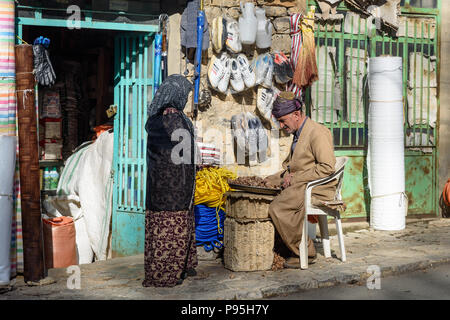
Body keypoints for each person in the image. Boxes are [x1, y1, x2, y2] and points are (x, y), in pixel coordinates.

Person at [264, 92, 337, 269]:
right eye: (279, 121)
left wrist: (295, 177)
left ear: (296, 115)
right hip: (302, 183)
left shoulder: (317, 133)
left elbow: (327, 168)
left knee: (278, 208)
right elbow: (294, 167)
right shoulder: (299, 132)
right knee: (267, 189)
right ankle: (285, 245)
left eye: (283, 121)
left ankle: (305, 251)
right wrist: (271, 179)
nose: (281, 126)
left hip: (318, 187)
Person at [143, 74, 197, 287]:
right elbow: (185, 156)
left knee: (159, 230)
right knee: (174, 229)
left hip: (157, 189)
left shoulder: (155, 119)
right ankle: (169, 273)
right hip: (176, 190)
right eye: (185, 94)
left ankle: (157, 270)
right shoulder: (176, 119)